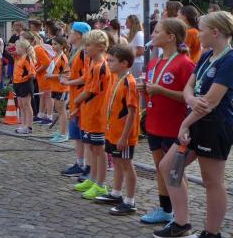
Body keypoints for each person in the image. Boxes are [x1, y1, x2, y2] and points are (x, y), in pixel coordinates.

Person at [152, 11, 233, 238]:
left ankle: (213, 236)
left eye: (201, 30)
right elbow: (190, 86)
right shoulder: (207, 55)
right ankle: (181, 224)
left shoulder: (229, 59)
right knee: (169, 166)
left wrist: (185, 123)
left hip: (214, 126)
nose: (196, 34)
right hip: (196, 122)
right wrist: (190, 99)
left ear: (215, 32)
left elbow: (211, 101)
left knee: (212, 181)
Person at [138, 18, 194, 225]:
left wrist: (162, 91)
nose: (152, 35)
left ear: (170, 37)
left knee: (175, 172)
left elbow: (189, 97)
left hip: (174, 126)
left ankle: (181, 217)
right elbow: (153, 92)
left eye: (157, 31)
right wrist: (145, 90)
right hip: (154, 123)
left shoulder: (185, 63)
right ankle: (165, 209)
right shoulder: (154, 62)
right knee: (159, 168)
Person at [95, 44, 140, 215]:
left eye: (112, 61)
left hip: (123, 135)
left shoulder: (129, 83)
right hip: (112, 131)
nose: (108, 63)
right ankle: (116, 193)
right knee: (117, 162)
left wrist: (124, 137)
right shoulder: (116, 78)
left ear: (124, 63)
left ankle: (130, 201)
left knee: (126, 164)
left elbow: (132, 112)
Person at [71, 30, 111, 200]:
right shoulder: (92, 64)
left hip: (97, 114)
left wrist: (76, 101)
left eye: (88, 45)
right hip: (89, 112)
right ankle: (93, 178)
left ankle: (100, 184)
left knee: (98, 149)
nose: (85, 48)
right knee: (92, 148)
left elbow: (91, 91)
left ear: (100, 47)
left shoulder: (100, 66)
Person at [60, 22, 92, 176]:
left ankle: (87, 166)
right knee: (76, 134)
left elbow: (86, 77)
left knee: (83, 135)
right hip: (74, 96)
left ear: (78, 34)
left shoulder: (84, 53)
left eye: (71, 32)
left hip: (81, 98)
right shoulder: (76, 51)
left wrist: (68, 82)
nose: (69, 34)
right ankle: (80, 163)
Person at [44, 36, 69, 143]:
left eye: (55, 44)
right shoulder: (55, 56)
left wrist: (51, 76)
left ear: (62, 45)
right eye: (52, 44)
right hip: (54, 87)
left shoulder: (63, 58)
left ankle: (64, 134)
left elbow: (66, 74)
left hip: (61, 88)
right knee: (59, 110)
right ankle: (61, 132)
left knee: (61, 110)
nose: (53, 46)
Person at [12, 39, 36, 135]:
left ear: (22, 48)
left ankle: (29, 126)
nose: (16, 49)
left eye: (17, 47)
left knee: (27, 105)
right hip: (17, 84)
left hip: (25, 84)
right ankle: (23, 124)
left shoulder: (27, 58)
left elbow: (32, 74)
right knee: (21, 105)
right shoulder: (18, 57)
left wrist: (23, 78)